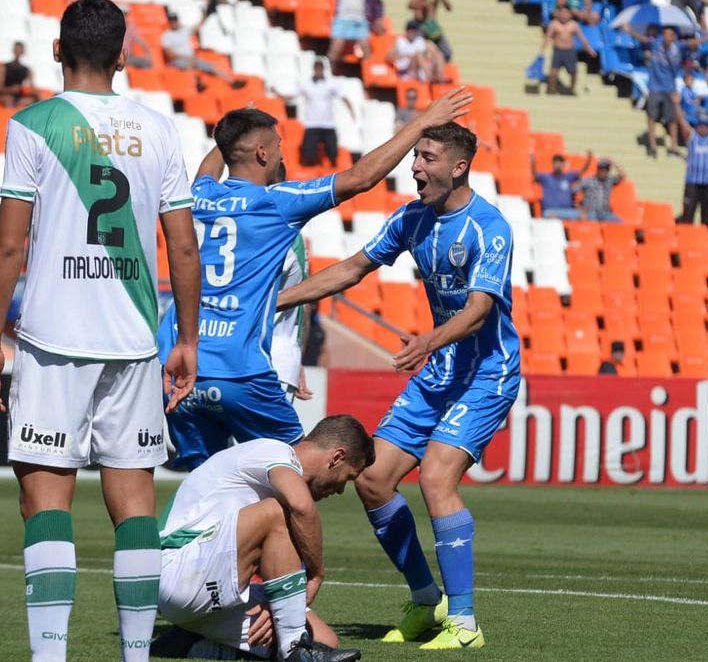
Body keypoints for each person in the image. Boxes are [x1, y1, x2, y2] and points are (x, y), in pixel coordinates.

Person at [0, 0, 202, 662]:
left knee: (45, 501)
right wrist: (186, 340)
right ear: (123, 56)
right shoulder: (158, 129)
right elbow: (183, 247)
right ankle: (136, 656)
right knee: (135, 506)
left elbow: (8, 243)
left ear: (56, 51)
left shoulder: (34, 125)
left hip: (53, 339)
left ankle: (50, 657)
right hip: (133, 340)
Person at [276, 120, 520, 651]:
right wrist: (275, 302)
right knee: (372, 478)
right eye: (416, 157)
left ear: (459, 167)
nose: (415, 167)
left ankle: (464, 623)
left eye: (427, 158)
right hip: (440, 370)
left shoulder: (489, 228)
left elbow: (479, 311)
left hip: (487, 372)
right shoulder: (412, 218)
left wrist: (429, 340)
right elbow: (351, 269)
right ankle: (425, 598)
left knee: (435, 478)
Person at [156, 89, 473, 472]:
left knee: (204, 483)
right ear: (262, 154)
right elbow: (361, 178)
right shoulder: (275, 202)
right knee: (297, 473)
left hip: (182, 366)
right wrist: (422, 122)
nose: (281, 155)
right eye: (277, 146)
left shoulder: (201, 193)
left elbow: (211, 166)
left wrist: (231, 135)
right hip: (239, 368)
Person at [154, 417, 373, 661]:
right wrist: (316, 573)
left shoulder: (276, 478)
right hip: (177, 572)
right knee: (277, 511)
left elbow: (268, 558)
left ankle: (188, 643)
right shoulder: (274, 451)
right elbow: (302, 507)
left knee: (324, 641)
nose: (341, 490)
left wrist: (280, 602)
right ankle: (293, 647)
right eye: (349, 477)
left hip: (206, 584)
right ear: (337, 457)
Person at [621, 25, 708, 159]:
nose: (666, 37)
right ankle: (652, 146)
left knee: (672, 118)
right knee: (652, 116)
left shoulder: (678, 47)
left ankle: (673, 147)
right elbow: (643, 39)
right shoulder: (656, 44)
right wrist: (630, 30)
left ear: (673, 37)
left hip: (670, 88)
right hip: (654, 87)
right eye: (664, 34)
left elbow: (694, 42)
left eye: (669, 34)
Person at [272, 237, 314, 402]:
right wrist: (295, 352)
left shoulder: (281, 235)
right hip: (278, 358)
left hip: (261, 359)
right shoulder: (294, 237)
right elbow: (304, 302)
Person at [293, 59, 354, 168]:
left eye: (320, 68)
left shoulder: (331, 84)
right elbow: (292, 95)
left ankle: (333, 169)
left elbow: (343, 97)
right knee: (309, 154)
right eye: (316, 68)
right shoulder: (306, 84)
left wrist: (351, 110)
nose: (318, 71)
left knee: (333, 153)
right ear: (314, 69)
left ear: (323, 69)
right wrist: (278, 93)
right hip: (312, 124)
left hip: (328, 124)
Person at [161, 10, 246, 89]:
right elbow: (170, 54)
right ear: (169, 22)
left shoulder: (184, 29)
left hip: (192, 58)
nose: (174, 23)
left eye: (175, 20)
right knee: (190, 64)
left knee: (211, 66)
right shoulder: (167, 35)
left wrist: (205, 14)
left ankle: (232, 82)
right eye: (172, 21)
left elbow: (197, 27)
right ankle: (196, 84)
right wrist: (186, 57)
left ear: (178, 20)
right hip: (178, 60)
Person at [673, 97, 708, 228]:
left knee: (707, 217)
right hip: (693, 182)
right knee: (688, 215)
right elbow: (681, 120)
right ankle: (686, 237)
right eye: (700, 125)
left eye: (705, 126)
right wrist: (676, 104)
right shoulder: (692, 136)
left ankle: (704, 238)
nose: (702, 128)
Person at [541, 5, 596, 95]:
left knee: (573, 72)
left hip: (569, 52)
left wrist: (589, 49)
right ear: (559, 14)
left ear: (570, 14)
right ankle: (551, 89)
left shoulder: (574, 25)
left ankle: (571, 89)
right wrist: (542, 50)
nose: (564, 15)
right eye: (562, 13)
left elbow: (582, 39)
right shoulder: (554, 24)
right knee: (553, 72)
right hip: (558, 51)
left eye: (566, 13)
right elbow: (547, 37)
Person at [531, 150, 592, 218]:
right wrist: (532, 162)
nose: (557, 165)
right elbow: (535, 175)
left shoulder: (568, 177)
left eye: (560, 163)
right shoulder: (546, 177)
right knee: (552, 218)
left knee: (583, 216)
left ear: (563, 165)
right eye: (556, 163)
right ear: (552, 164)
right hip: (551, 211)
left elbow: (581, 171)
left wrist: (588, 160)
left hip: (567, 210)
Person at [325, 0, 371, 69]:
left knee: (366, 51)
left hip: (360, 19)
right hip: (343, 17)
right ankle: (328, 72)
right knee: (335, 49)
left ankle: (369, 74)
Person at [575, 158, 625, 222]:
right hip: (590, 212)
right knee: (591, 223)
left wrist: (613, 163)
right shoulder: (588, 180)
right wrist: (579, 207)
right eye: (601, 169)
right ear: (598, 170)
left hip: (605, 213)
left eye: (606, 170)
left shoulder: (609, 181)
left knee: (620, 222)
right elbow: (573, 192)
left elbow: (622, 175)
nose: (603, 171)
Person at [0, 42, 37, 107]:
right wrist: (11, 89)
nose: (18, 52)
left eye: (20, 50)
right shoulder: (3, 68)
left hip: (18, 97)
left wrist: (34, 93)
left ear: (23, 52)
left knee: (32, 100)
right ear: (13, 50)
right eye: (17, 50)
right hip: (4, 96)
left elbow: (32, 87)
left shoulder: (27, 70)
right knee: (9, 99)